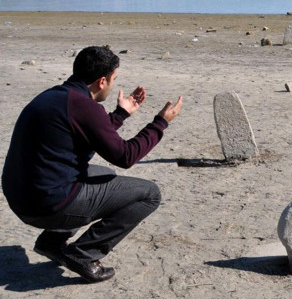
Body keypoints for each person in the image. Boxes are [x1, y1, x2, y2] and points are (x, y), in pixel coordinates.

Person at [2, 46, 183, 283]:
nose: (112, 84)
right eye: (113, 79)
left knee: (104, 174)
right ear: (101, 81)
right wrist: (160, 123)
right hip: (45, 205)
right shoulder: (85, 107)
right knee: (149, 194)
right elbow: (126, 156)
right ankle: (84, 254)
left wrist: (120, 114)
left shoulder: (55, 96)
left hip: (21, 196)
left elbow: (89, 132)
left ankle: (51, 243)